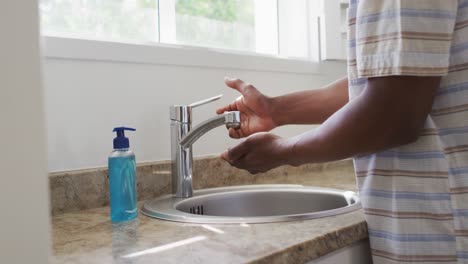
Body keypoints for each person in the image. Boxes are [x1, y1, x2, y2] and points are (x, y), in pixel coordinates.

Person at [218, 0, 468, 263]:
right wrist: (275, 110)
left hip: (444, 231)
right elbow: (386, 79)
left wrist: (283, 152)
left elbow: (394, 111)